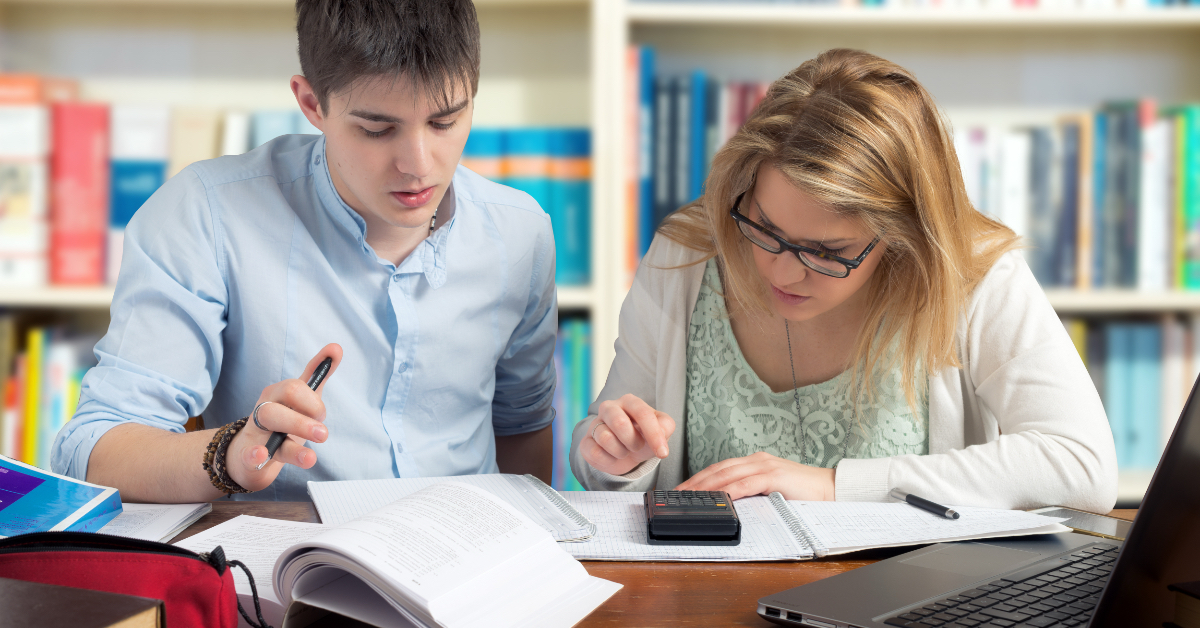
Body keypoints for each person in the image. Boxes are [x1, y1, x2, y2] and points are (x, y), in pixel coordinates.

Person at [52, 0, 558, 502]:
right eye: (377, 130)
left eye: (445, 122)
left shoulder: (520, 232)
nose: (418, 165)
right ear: (312, 103)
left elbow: (521, 429)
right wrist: (233, 454)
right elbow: (93, 448)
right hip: (292, 568)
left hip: (470, 557)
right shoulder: (206, 213)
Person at [571, 49, 1117, 512]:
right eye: (763, 228)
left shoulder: (969, 274)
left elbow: (1082, 465)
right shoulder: (687, 254)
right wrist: (618, 457)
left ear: (906, 236)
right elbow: (604, 455)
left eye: (826, 252)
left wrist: (836, 486)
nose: (782, 270)